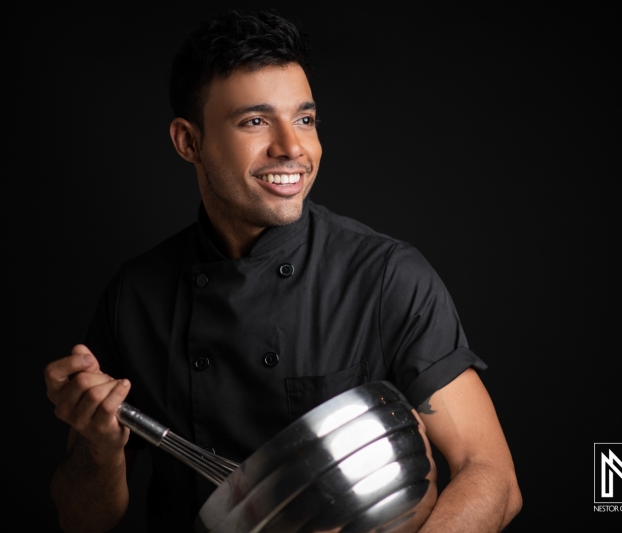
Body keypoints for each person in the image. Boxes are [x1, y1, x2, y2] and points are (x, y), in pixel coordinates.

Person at [44, 8, 522, 532]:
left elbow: (491, 475)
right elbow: (80, 519)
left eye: (304, 119)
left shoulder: (386, 276)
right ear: (189, 141)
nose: (293, 148)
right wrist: (100, 448)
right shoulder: (134, 298)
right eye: (254, 120)